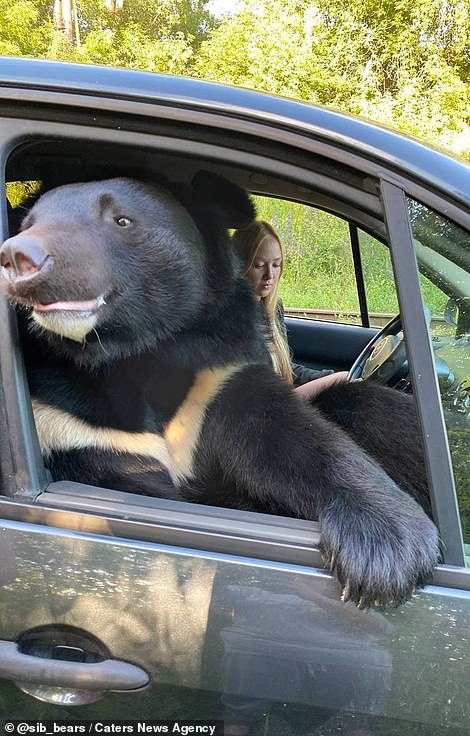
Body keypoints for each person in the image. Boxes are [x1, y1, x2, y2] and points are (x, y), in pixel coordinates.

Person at [231, 220, 348, 399]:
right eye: (259, 265)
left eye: (276, 265)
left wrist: (325, 376)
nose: (269, 275)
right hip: (265, 410)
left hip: (280, 400)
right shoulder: (227, 321)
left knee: (343, 380)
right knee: (343, 380)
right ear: (238, 265)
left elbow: (285, 368)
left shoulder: (272, 308)